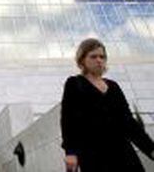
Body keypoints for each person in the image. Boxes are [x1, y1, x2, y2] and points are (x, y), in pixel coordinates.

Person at [60, 38, 154, 172]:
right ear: (82, 60)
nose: (99, 60)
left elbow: (128, 122)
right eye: (93, 56)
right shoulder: (74, 83)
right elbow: (68, 120)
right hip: (93, 154)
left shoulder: (114, 86)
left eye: (102, 57)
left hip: (123, 151)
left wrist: (150, 148)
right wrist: (70, 152)